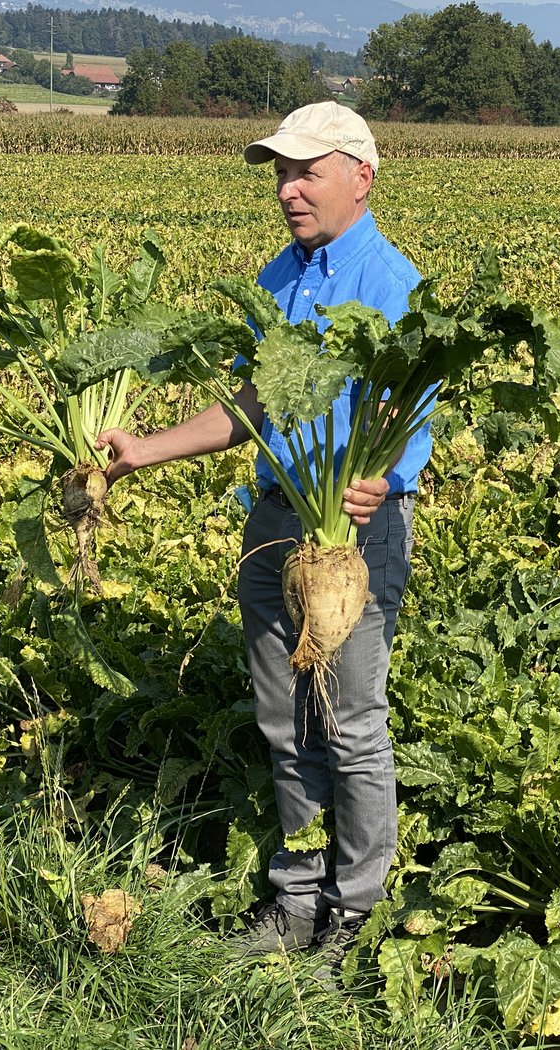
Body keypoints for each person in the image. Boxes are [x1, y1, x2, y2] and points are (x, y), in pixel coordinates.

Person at [95, 101, 428, 980]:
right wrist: (144, 451)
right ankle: (294, 895)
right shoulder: (281, 273)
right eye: (279, 172)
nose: (287, 188)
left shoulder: (390, 281)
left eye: (305, 171)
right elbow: (247, 403)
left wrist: (382, 478)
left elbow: (411, 414)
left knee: (350, 726)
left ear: (361, 174)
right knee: (285, 723)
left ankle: (351, 913)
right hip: (277, 523)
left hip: (350, 537)